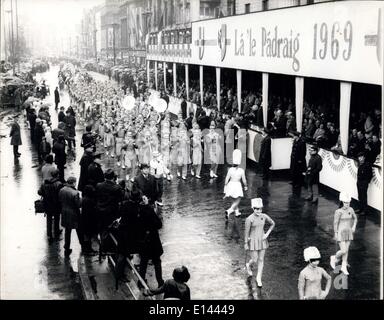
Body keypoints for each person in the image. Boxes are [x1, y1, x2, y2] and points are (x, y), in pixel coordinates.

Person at [244, 198, 275, 287]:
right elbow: (246, 232)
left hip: (262, 240)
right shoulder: (249, 219)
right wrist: (246, 243)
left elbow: (273, 223)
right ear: (253, 208)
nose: (259, 210)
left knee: (261, 259)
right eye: (256, 209)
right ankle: (248, 265)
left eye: (260, 208)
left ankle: (258, 278)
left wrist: (267, 234)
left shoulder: (264, 216)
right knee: (254, 259)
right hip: (253, 241)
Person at [137, 198, 164, 288]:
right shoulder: (150, 211)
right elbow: (159, 225)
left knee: (143, 262)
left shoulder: (138, 212)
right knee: (157, 261)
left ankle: (141, 281)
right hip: (153, 241)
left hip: (143, 241)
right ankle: (160, 282)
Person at [95, 169, 123, 255]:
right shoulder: (116, 187)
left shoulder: (99, 185)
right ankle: (111, 249)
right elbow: (120, 200)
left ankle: (103, 248)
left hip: (100, 211)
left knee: (103, 230)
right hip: (111, 213)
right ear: (113, 177)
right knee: (113, 230)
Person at [330, 192, 357, 275]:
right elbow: (335, 223)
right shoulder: (338, 211)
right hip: (341, 233)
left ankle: (343, 266)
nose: (347, 204)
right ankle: (334, 257)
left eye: (348, 202)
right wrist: (335, 233)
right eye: (345, 202)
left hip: (348, 232)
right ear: (342, 202)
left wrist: (353, 227)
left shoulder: (351, 210)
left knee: (347, 250)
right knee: (343, 250)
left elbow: (355, 218)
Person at [58, 176, 83, 257]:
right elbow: (78, 205)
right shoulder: (75, 193)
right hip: (74, 214)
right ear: (73, 182)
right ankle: (82, 244)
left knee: (67, 231)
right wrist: (81, 199)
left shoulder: (62, 190)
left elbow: (60, 200)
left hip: (65, 213)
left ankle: (67, 247)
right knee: (79, 229)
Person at [38, 169, 64, 242]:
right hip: (56, 204)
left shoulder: (44, 183)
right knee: (57, 218)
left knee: (48, 219)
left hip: (47, 204)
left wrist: (45, 195)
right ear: (57, 175)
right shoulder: (59, 184)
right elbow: (61, 195)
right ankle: (56, 232)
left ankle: (49, 235)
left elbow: (39, 192)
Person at [224, 149, 248, 219]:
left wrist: (225, 186)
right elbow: (244, 180)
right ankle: (229, 211)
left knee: (233, 199)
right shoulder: (241, 170)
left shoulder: (230, 170)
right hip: (237, 185)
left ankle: (237, 212)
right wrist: (246, 186)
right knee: (238, 199)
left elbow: (226, 179)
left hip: (230, 185)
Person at [81, 185, 98, 254]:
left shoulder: (84, 199)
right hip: (89, 220)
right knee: (88, 235)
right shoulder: (89, 200)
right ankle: (88, 250)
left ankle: (87, 249)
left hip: (85, 219)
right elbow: (91, 211)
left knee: (87, 235)